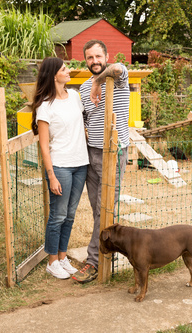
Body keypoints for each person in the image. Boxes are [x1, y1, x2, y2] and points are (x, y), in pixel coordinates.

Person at [72, 40, 130, 283]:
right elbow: (85, 120)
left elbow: (118, 68)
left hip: (113, 153)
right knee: (99, 210)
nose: (94, 61)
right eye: (89, 58)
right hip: (91, 154)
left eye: (98, 56)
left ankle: (94, 261)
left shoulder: (118, 79)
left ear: (105, 55)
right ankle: (111, 251)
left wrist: (98, 81)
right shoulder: (84, 88)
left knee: (105, 209)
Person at [31, 57, 89, 279]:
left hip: (80, 163)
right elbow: (44, 146)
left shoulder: (74, 97)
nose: (68, 71)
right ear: (54, 74)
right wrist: (51, 175)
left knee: (70, 215)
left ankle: (63, 258)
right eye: (64, 69)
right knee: (58, 215)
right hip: (61, 165)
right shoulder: (45, 105)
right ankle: (52, 261)